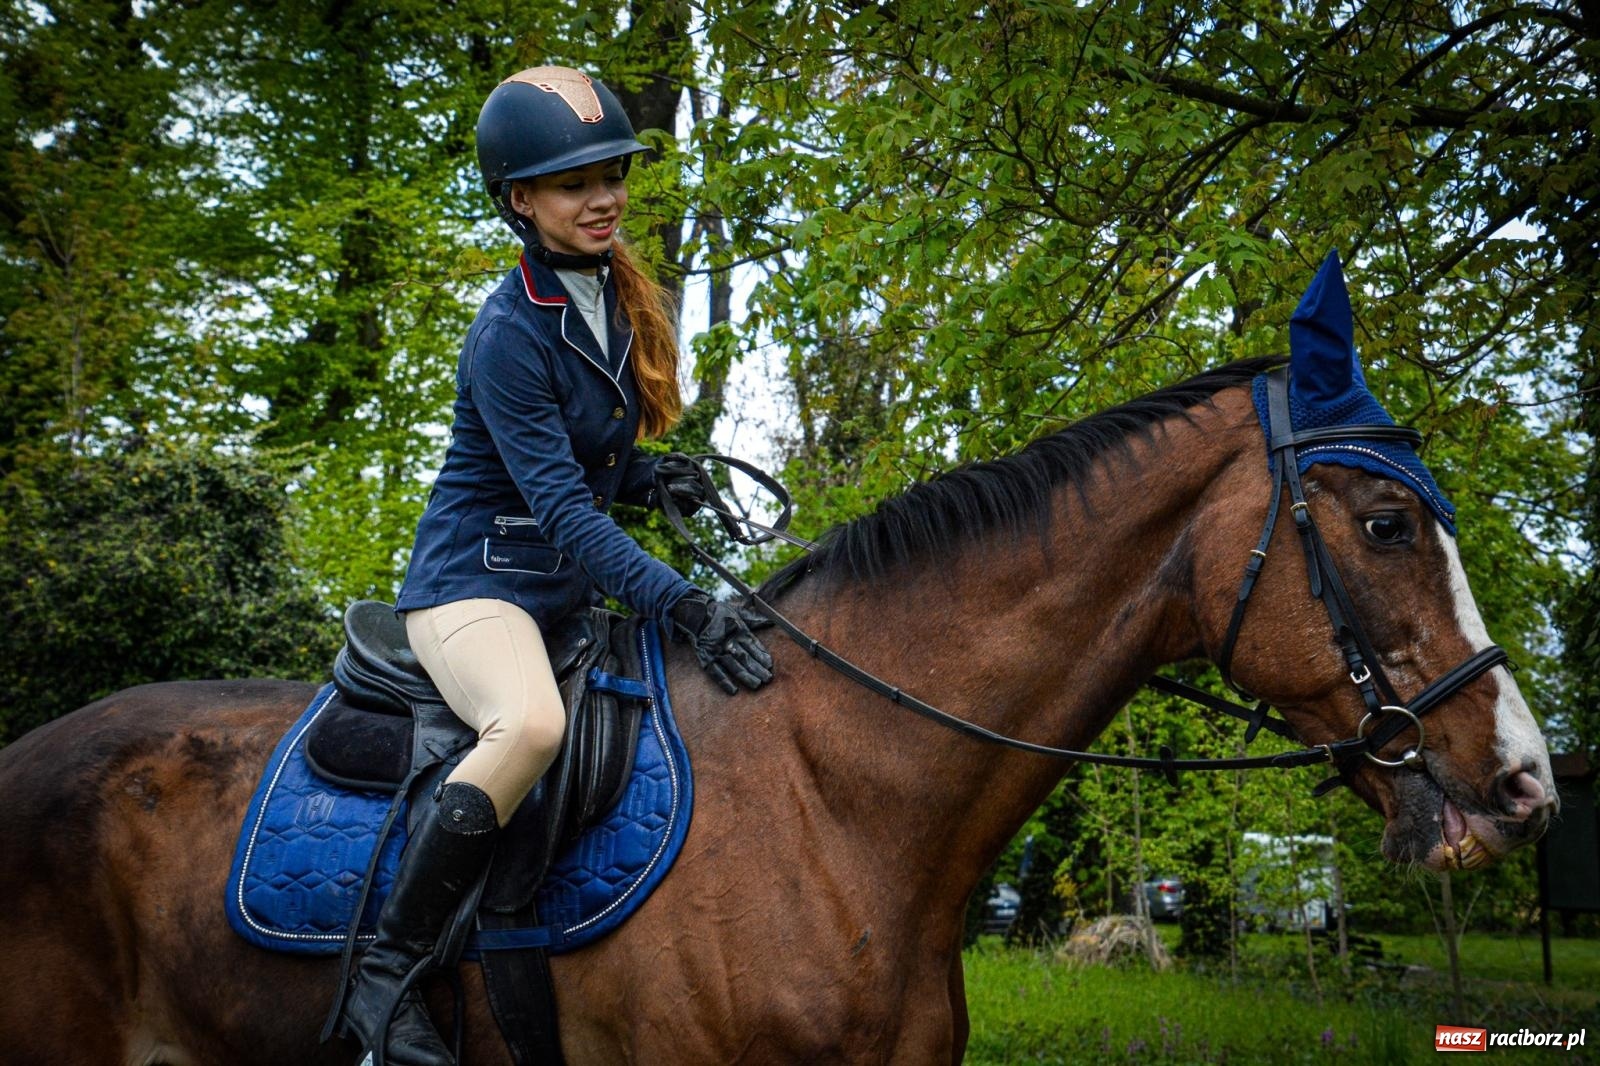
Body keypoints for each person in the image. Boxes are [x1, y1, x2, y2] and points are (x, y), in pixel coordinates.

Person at [334, 65, 774, 1066]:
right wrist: (686, 604)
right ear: (518, 200)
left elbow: (583, 465)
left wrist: (653, 478)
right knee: (530, 723)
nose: (603, 196)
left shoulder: (612, 296)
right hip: (472, 590)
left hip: (555, 592)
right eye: (574, 183)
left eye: (611, 172)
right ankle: (383, 977)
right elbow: (563, 511)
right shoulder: (506, 331)